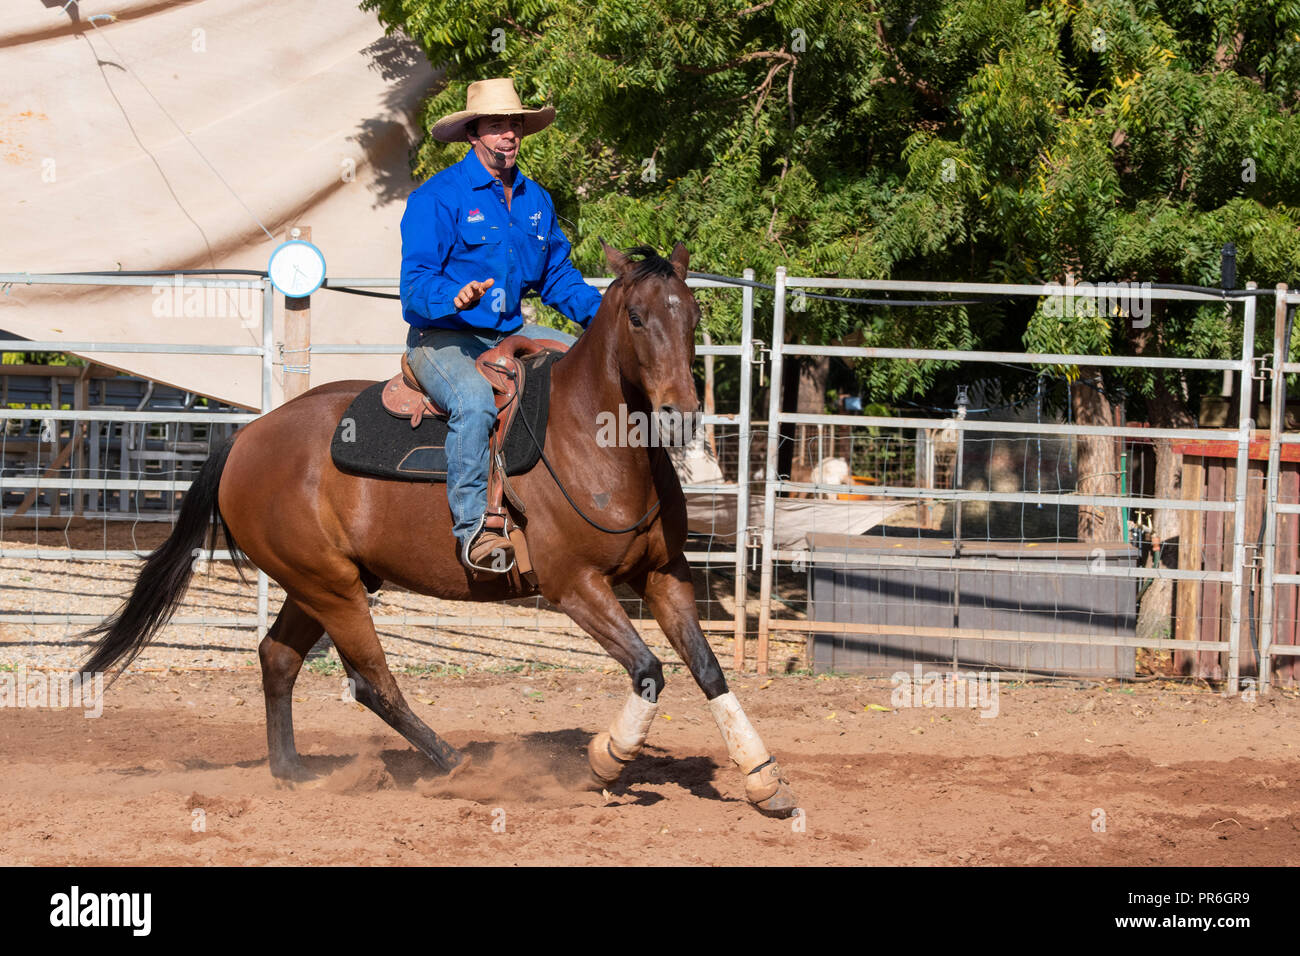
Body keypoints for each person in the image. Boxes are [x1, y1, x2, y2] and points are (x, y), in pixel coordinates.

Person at [400, 78, 602, 573]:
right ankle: (475, 531)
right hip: (442, 337)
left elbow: (557, 276)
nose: (508, 134)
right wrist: (454, 295)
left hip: (510, 334)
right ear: (474, 133)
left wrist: (607, 314)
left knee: (590, 371)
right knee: (472, 403)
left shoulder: (537, 200)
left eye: (515, 124)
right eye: (497, 125)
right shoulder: (437, 197)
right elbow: (414, 286)